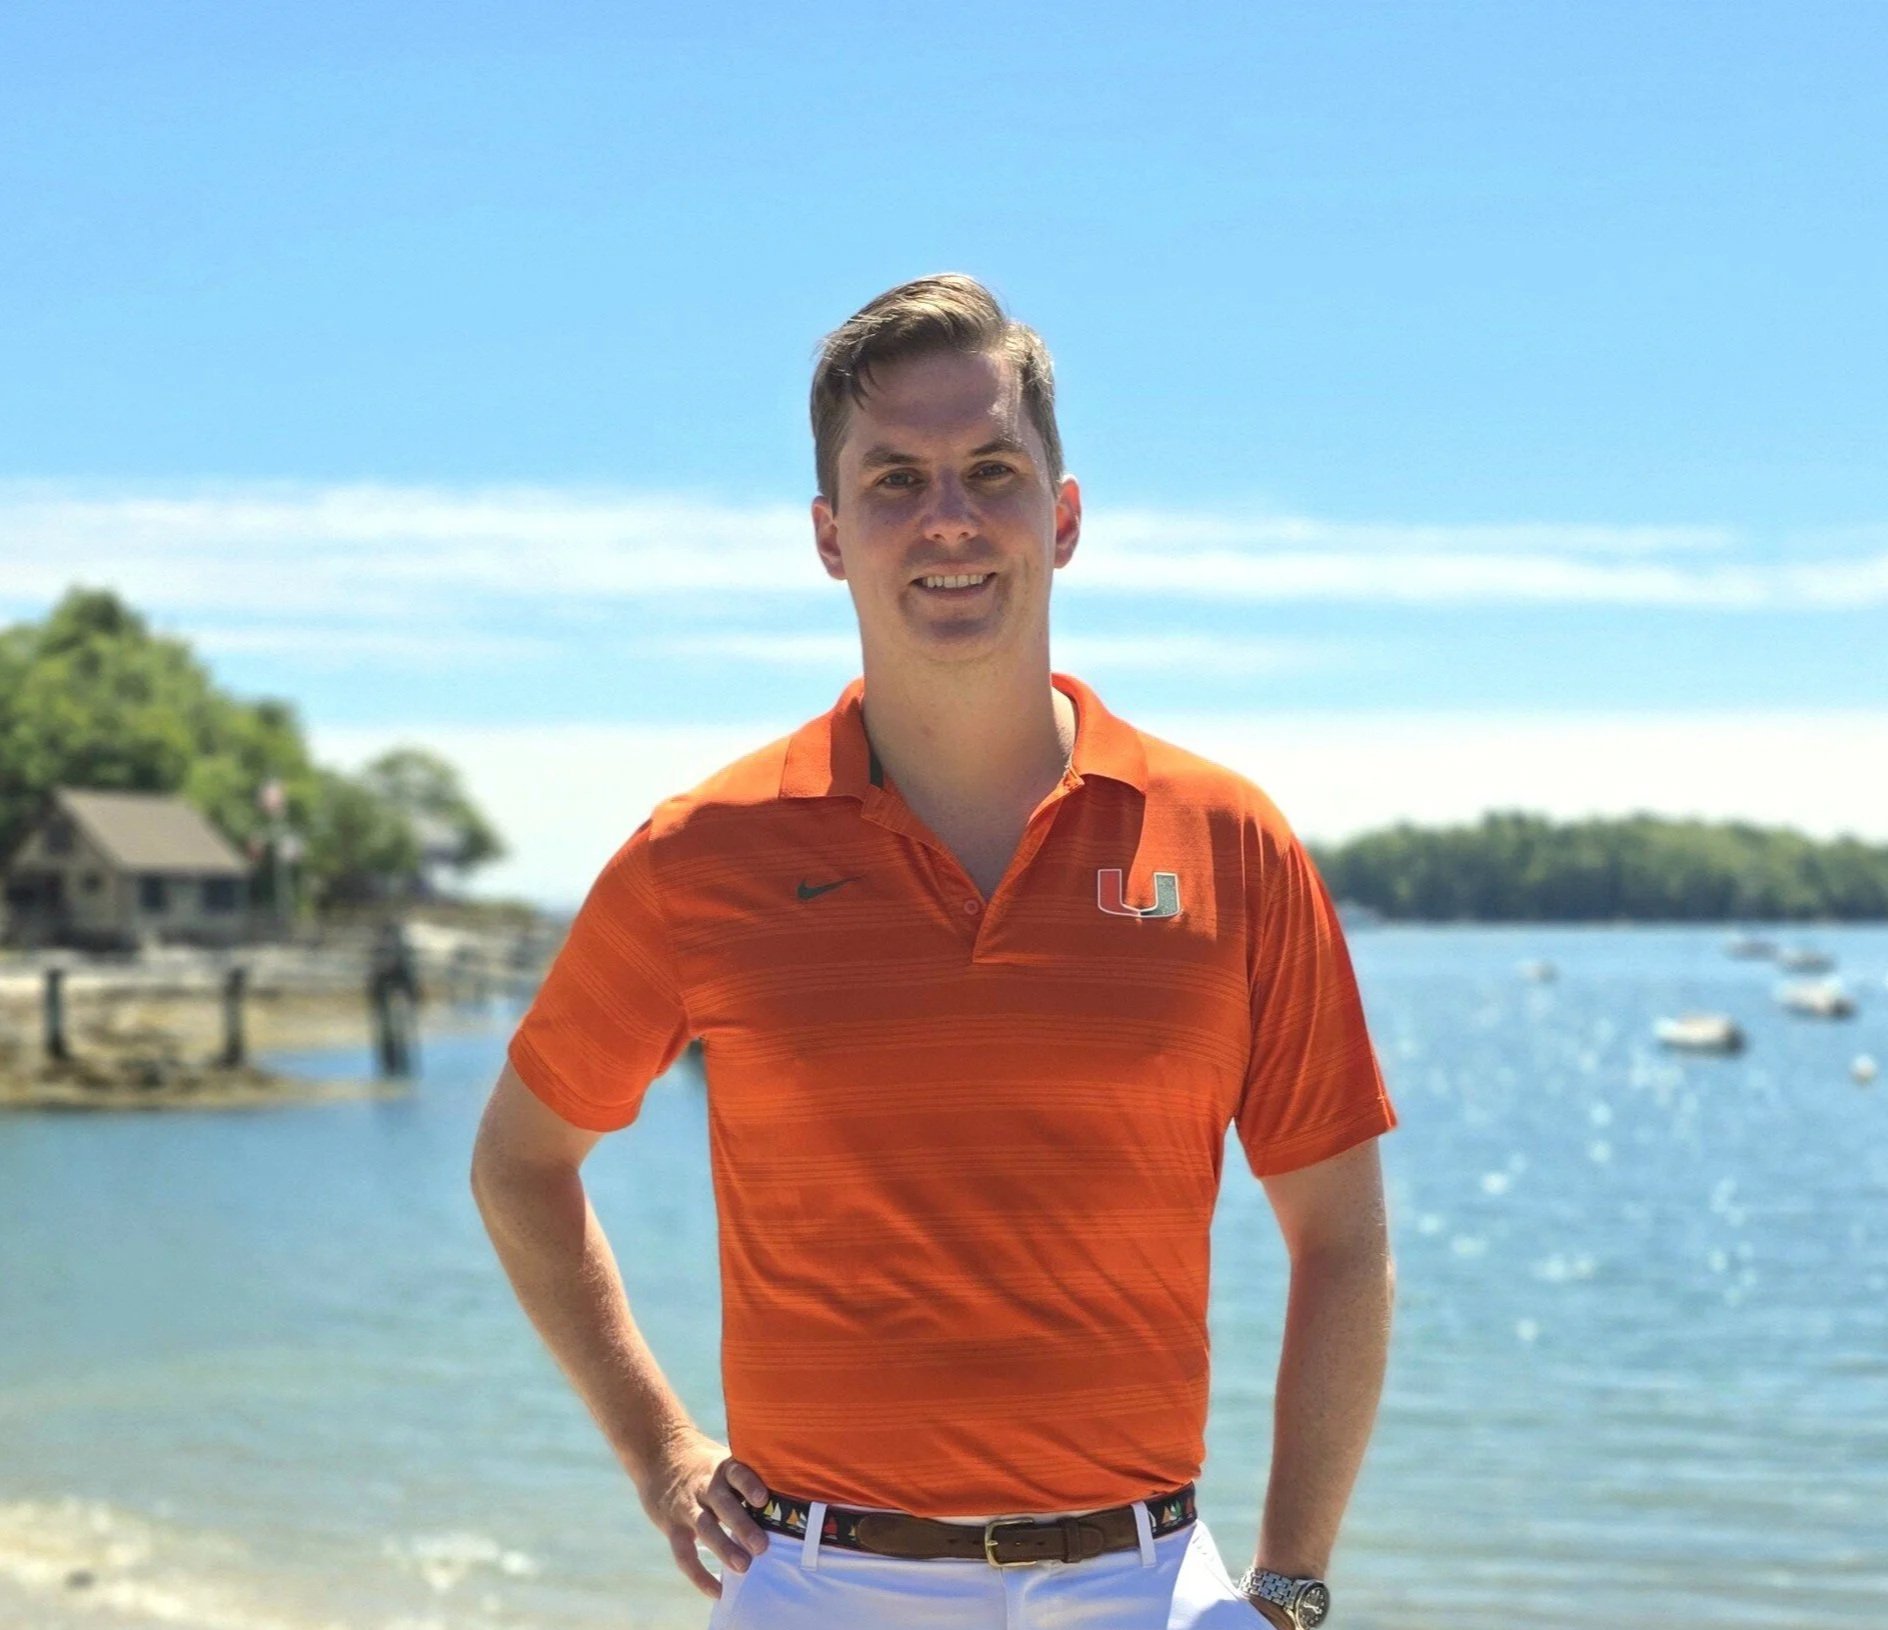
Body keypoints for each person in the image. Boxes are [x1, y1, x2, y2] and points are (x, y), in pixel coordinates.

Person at [470, 275, 1398, 1629]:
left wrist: (1292, 1584)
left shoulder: (1232, 842)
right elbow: (519, 1161)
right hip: (818, 1584)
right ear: (830, 534)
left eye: (992, 471)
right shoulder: (701, 855)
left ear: (1063, 518)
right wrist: (662, 1452)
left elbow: (1343, 1236)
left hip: (1146, 1583)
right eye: (895, 479)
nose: (949, 518)